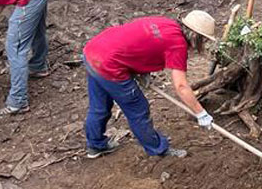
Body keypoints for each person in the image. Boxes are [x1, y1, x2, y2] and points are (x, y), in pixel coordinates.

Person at [81, 11, 218, 159]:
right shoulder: (178, 45)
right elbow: (181, 86)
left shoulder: (166, 23)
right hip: (109, 65)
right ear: (196, 36)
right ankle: (158, 149)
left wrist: (139, 71)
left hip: (94, 50)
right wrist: (200, 113)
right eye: (203, 40)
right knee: (138, 110)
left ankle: (95, 146)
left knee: (99, 106)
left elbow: (139, 41)